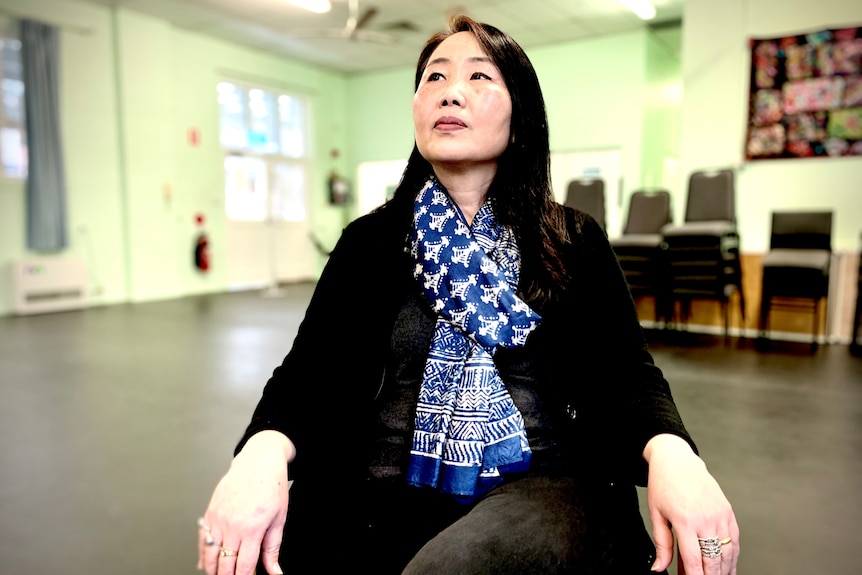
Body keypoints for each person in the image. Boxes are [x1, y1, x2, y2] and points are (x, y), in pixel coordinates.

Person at [197, 15, 739, 575]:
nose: (450, 90)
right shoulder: (372, 242)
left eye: (479, 77)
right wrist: (260, 451)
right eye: (433, 78)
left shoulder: (572, 240)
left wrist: (673, 451)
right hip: (378, 489)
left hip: (543, 485)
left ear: (520, 115)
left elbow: (625, 373)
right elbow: (311, 372)